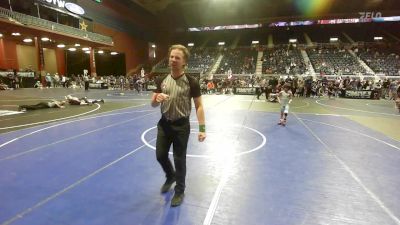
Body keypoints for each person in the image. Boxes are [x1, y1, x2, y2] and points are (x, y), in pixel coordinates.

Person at [151, 44, 206, 207]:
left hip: (181, 126)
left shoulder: (191, 82)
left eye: (177, 58)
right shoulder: (161, 80)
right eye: (171, 57)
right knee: (160, 155)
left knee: (179, 159)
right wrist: (156, 98)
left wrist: (202, 129)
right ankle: (170, 176)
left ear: (184, 62)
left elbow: (199, 106)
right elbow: (153, 104)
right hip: (164, 124)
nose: (173, 60)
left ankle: (180, 191)